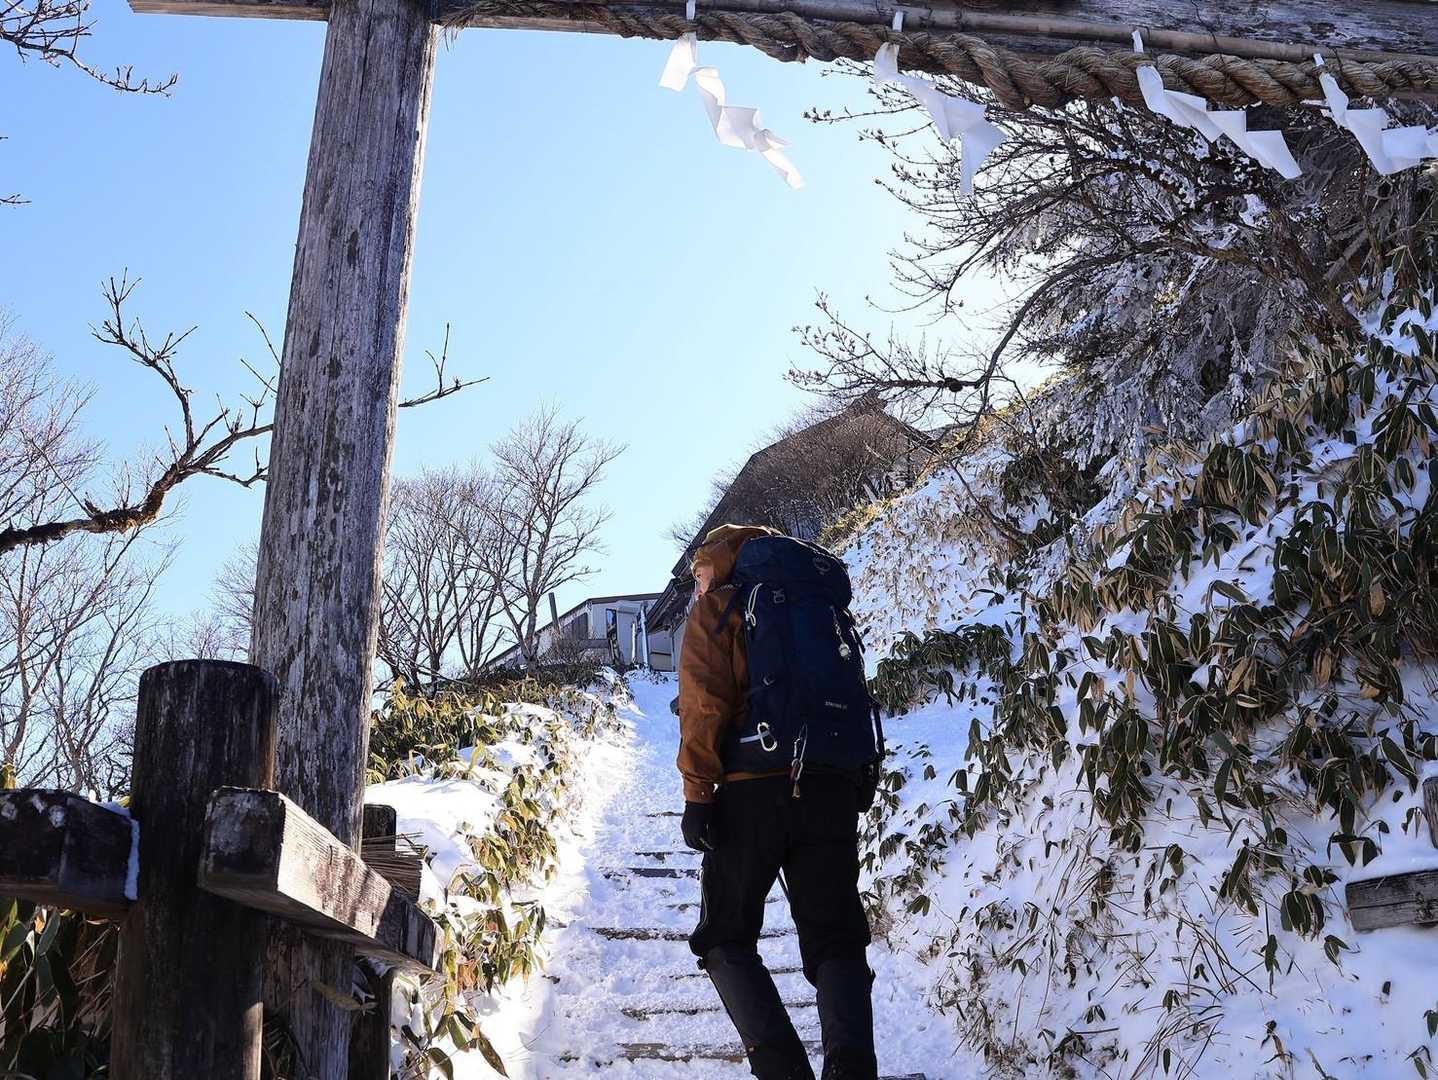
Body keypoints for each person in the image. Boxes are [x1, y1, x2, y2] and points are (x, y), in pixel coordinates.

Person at [677, 523, 882, 1080]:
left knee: (725, 936)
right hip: (830, 786)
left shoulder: (721, 604)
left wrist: (698, 793)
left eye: (699, 572)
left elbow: (703, 703)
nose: (698, 582)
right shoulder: (817, 601)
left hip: (753, 788)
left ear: (717, 560)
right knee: (836, 937)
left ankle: (783, 1072)